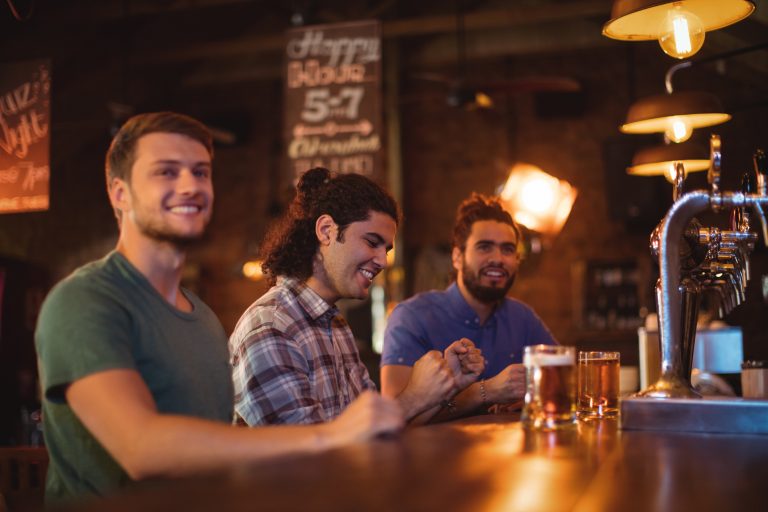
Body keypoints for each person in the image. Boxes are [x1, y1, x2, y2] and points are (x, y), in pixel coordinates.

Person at [34, 112, 404, 503]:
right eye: (166, 172)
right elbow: (141, 449)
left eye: (200, 172)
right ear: (119, 193)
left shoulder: (204, 319)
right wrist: (330, 435)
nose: (190, 185)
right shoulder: (83, 301)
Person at [229, 168, 484, 427]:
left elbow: (374, 430)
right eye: (372, 242)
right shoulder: (271, 326)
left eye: (386, 249)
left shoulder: (335, 324)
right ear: (327, 230)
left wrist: (445, 385)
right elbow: (307, 457)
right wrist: (415, 396)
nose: (383, 261)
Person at [380, 192, 556, 419]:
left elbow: (563, 380)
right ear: (457, 257)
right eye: (484, 247)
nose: (498, 258)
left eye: (508, 249)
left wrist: (530, 396)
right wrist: (485, 392)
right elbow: (394, 416)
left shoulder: (522, 317)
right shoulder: (412, 316)